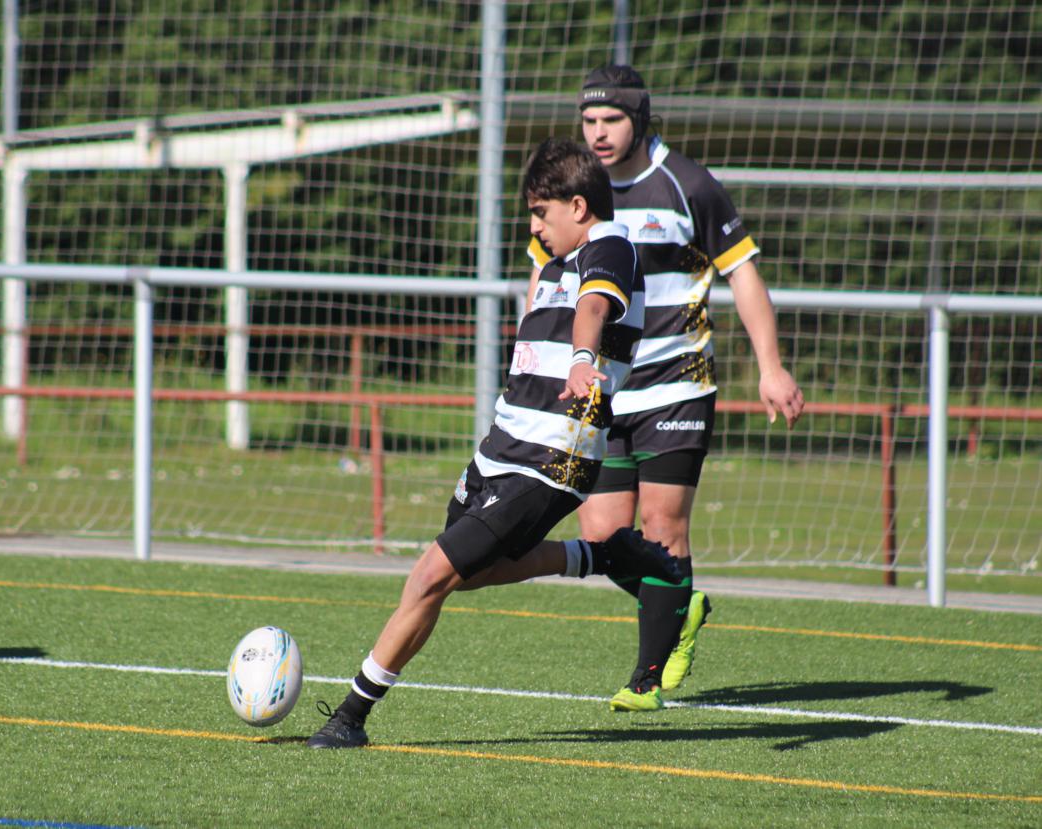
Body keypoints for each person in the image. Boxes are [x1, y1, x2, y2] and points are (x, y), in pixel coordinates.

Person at [307, 137, 681, 749]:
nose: (535, 226)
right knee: (467, 575)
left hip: (553, 458)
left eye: (541, 212)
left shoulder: (609, 246)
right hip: (502, 446)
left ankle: (350, 717)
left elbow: (592, 310)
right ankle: (602, 556)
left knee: (429, 576)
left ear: (579, 206)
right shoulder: (555, 262)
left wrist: (583, 359)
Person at [527, 66, 805, 712]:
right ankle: (683, 599)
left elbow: (743, 275)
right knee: (602, 536)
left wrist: (771, 367)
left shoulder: (688, 185)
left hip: (676, 383)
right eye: (589, 121)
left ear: (641, 118)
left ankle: (646, 679)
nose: (598, 133)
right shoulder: (574, 193)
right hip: (604, 387)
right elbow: (544, 284)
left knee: (663, 525)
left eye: (612, 120)